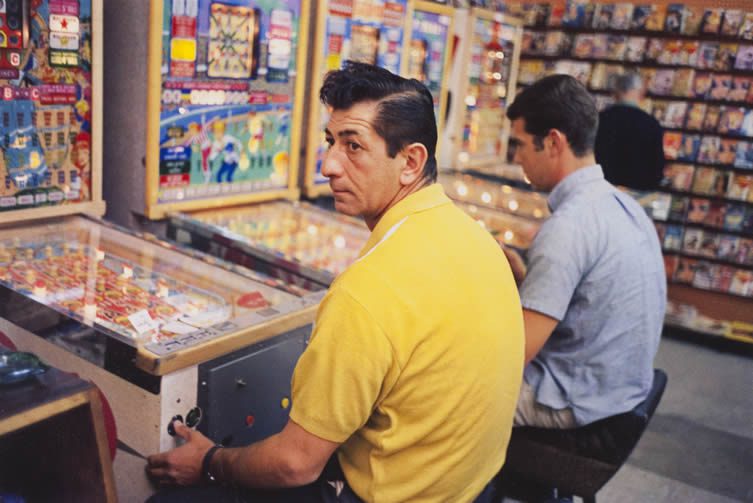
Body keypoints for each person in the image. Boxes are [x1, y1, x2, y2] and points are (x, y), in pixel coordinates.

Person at [146, 61, 525, 502]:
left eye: (354, 146)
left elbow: (293, 464)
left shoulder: (368, 291)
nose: (328, 165)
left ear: (411, 161)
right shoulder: (479, 239)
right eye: (331, 141)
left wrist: (210, 462)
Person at [502, 74, 666, 430]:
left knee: (440, 393)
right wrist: (526, 280)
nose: (516, 158)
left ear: (553, 142)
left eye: (520, 144)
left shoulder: (568, 227)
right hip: (619, 391)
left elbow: (514, 355)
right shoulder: (624, 206)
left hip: (573, 398)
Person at [594, 72, 664, 190]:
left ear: (616, 92)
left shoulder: (599, 119)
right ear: (640, 92)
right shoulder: (651, 124)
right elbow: (656, 168)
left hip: (600, 187)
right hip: (636, 191)